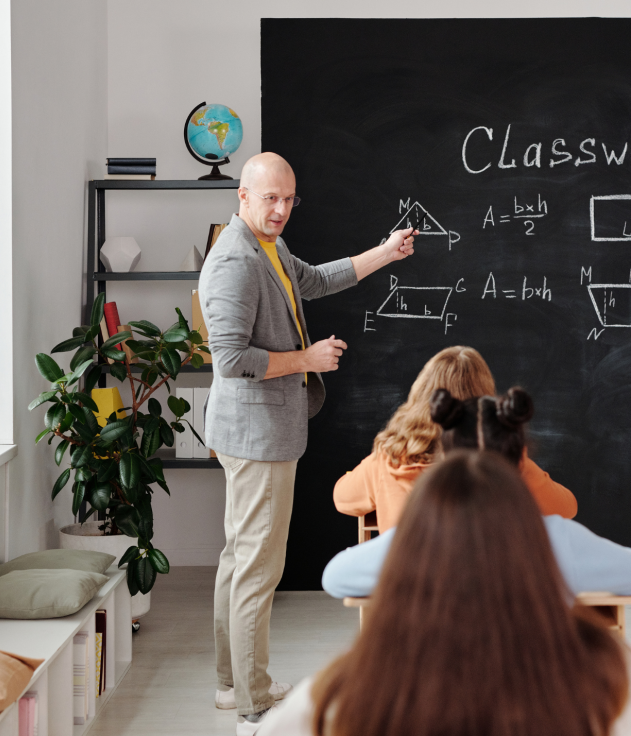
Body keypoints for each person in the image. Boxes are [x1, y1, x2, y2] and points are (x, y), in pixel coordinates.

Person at [259, 451, 631, 736]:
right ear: (531, 533)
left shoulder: (340, 696)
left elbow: (337, 573)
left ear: (412, 547)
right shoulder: (621, 681)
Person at [198, 152, 415, 724]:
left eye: (290, 198)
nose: (281, 209)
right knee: (256, 569)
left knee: (238, 558)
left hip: (258, 429)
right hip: (257, 434)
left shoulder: (268, 246)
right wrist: (307, 359)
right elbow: (230, 359)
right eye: (270, 198)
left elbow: (315, 280)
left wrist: (385, 253)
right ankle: (251, 703)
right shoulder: (234, 262)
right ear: (242, 195)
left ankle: (233, 684)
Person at [322, 387, 631, 599]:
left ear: (445, 457)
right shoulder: (556, 540)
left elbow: (335, 578)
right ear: (519, 459)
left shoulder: (412, 541)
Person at [333, 345, 577, 532]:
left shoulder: (390, 459)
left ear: (421, 394)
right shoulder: (507, 463)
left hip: (409, 589)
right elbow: (566, 508)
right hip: (488, 591)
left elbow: (343, 499)